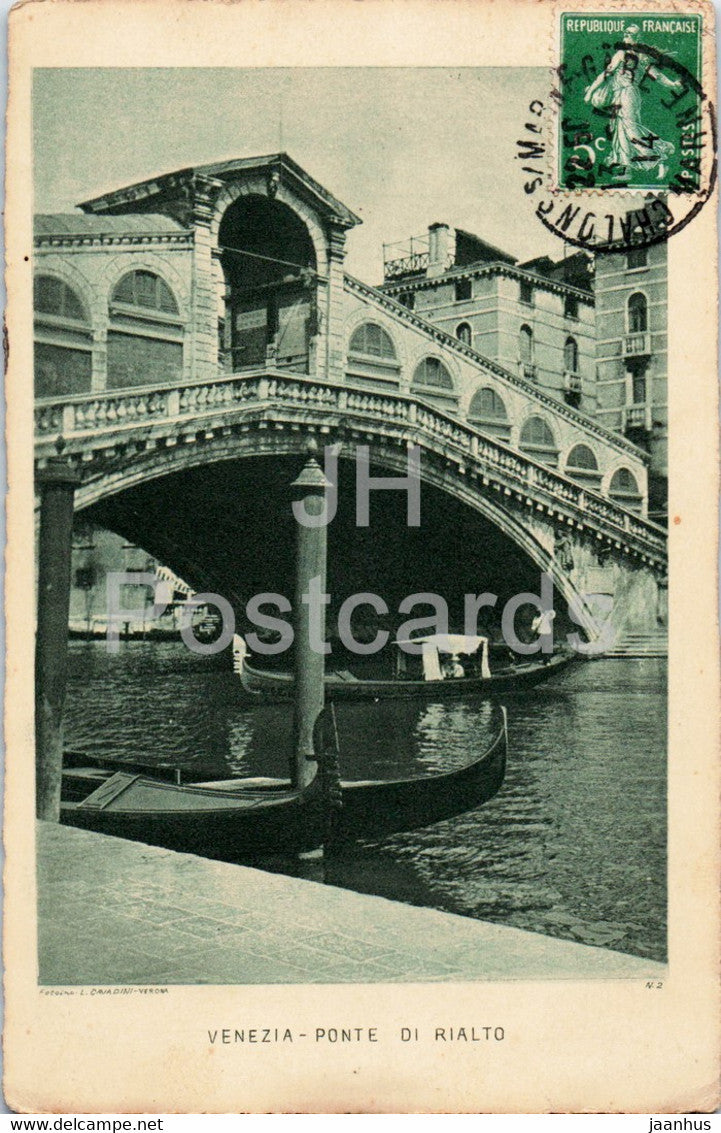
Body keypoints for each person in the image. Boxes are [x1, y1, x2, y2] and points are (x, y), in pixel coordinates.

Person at [583, 26, 684, 180]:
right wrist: (672, 84)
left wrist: (590, 92)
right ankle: (632, 166)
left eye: (630, 34)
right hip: (626, 94)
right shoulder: (640, 56)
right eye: (625, 32)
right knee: (622, 130)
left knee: (630, 131)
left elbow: (606, 74)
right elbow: (656, 75)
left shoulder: (623, 54)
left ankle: (657, 160)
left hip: (626, 94)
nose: (626, 35)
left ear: (637, 38)